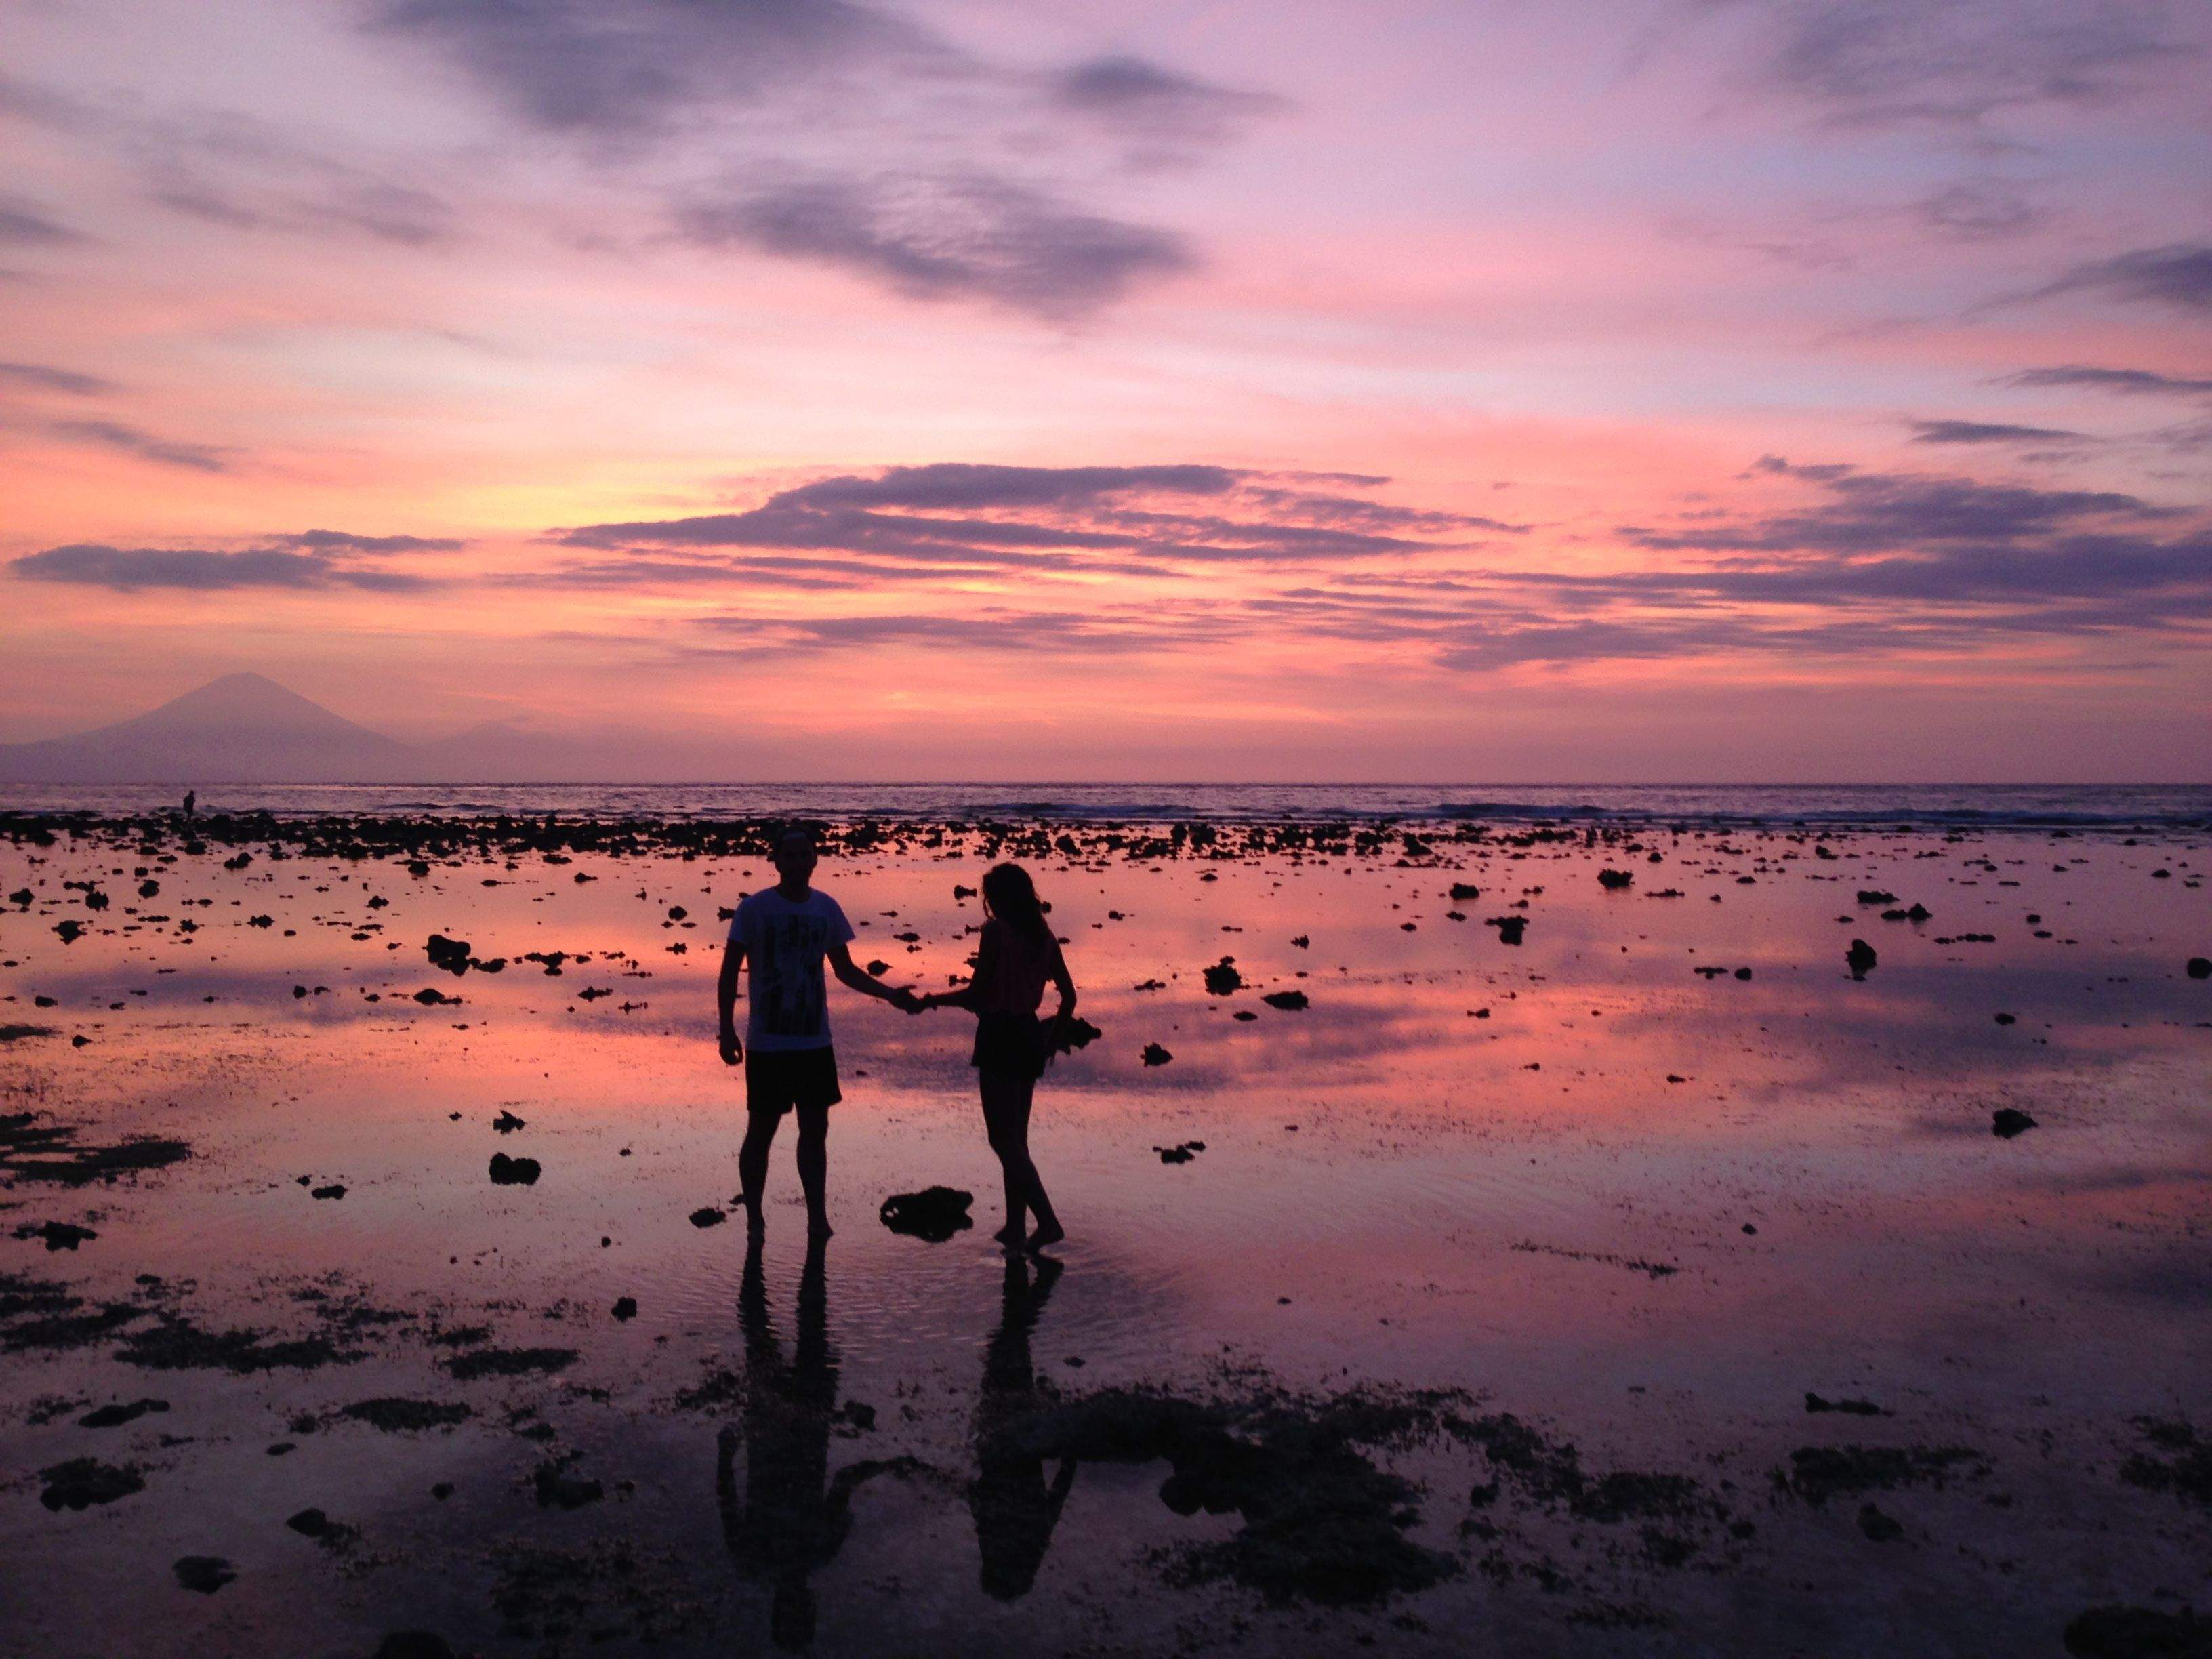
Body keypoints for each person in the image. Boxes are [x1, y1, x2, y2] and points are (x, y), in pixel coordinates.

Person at [719, 826, 918, 1238]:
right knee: (761, 1131)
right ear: (775, 862)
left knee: (815, 1133)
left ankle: (817, 1218)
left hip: (814, 1041)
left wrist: (890, 995)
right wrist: (726, 1029)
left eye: (803, 855)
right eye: (788, 856)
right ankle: (755, 1219)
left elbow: (844, 970)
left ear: (815, 860)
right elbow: (728, 973)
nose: (796, 863)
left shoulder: (826, 908)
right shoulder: (753, 909)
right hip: (768, 1043)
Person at [912, 862, 1074, 1250]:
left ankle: (1048, 1222)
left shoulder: (997, 932)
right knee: (1016, 1140)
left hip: (1000, 1035)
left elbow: (979, 994)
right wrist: (1051, 1038)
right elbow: (1069, 996)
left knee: (1003, 1142)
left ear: (998, 898)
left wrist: (932, 1001)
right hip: (1030, 1035)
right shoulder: (1045, 937)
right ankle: (1015, 1226)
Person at [969, 1252, 1076, 1599]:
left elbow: (1057, 1494)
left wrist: (1069, 1456)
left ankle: (1032, 1278)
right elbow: (977, 1496)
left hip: (1012, 1433)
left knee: (1010, 1346)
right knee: (1008, 1345)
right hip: (1007, 1434)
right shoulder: (1015, 1534)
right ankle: (1033, 1278)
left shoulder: (1024, 1534)